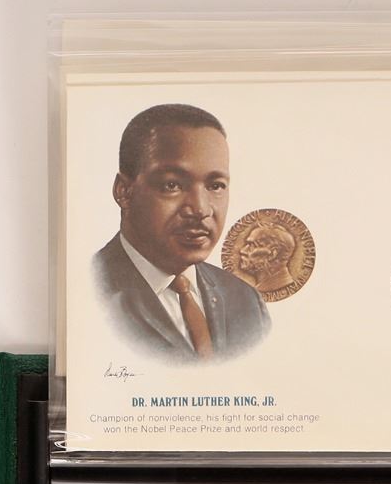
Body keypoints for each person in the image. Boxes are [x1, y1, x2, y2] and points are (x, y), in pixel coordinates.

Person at [93, 103, 270, 361]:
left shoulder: (245, 301)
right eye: (172, 185)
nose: (200, 209)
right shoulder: (88, 296)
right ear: (124, 192)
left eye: (215, 185)